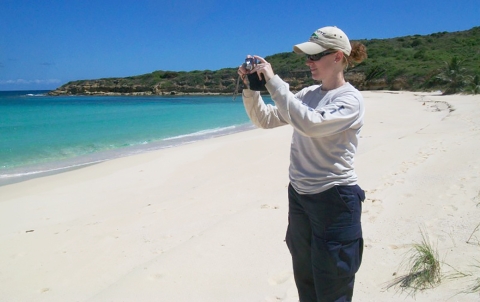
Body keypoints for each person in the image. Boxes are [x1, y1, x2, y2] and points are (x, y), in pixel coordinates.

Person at [238, 26, 368, 302]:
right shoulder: (308, 93)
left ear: (338, 57)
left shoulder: (350, 99)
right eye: (307, 57)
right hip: (300, 196)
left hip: (335, 199)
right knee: (306, 279)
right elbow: (266, 119)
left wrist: (274, 82)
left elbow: (310, 124)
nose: (309, 62)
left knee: (333, 285)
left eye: (316, 56)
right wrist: (252, 89)